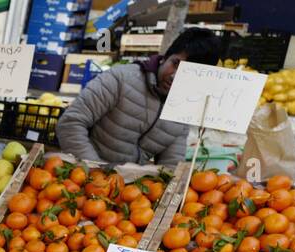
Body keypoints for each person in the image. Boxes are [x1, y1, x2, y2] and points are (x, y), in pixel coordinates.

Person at [56, 27, 225, 166]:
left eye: (188, 73)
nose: (175, 76)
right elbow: (71, 123)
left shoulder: (182, 108)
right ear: (165, 57)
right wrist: (94, 169)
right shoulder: (120, 79)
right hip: (84, 175)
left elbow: (171, 163)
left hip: (129, 192)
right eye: (175, 64)